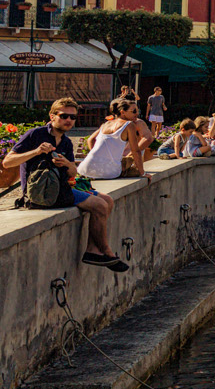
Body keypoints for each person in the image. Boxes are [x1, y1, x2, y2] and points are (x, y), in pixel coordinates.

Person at [6, 97, 127, 272]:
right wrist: (36, 151)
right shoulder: (35, 134)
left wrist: (67, 164)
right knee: (99, 205)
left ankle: (92, 250)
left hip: (61, 189)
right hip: (41, 193)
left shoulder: (66, 142)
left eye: (73, 117)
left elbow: (72, 173)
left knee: (107, 200)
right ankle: (106, 251)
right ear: (52, 116)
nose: (69, 120)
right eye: (64, 116)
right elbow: (8, 162)